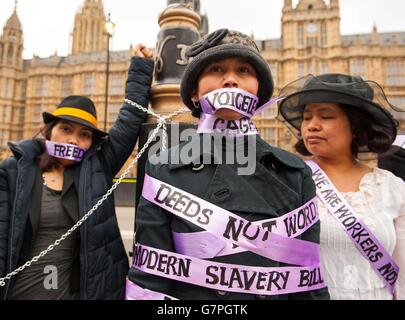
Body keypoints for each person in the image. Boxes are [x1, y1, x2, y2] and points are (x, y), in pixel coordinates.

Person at [126, 29, 330, 300]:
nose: (231, 80)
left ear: (259, 93)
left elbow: (308, 283)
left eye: (244, 70)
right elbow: (149, 282)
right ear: (195, 94)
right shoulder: (164, 169)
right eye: (216, 69)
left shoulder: (295, 173)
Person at [0, 44, 154, 300]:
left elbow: (129, 121)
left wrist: (140, 68)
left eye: (84, 135)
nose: (73, 140)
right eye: (66, 130)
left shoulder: (96, 168)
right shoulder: (13, 171)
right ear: (49, 130)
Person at [278, 73, 405, 300]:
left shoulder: (393, 188)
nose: (312, 126)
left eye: (325, 116)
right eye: (306, 118)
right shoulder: (286, 181)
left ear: (355, 126)